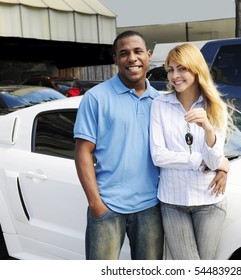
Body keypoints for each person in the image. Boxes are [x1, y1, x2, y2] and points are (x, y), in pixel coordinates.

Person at [73, 30, 164, 260]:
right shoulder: (96, 98)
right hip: (108, 207)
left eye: (137, 51)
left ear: (148, 55)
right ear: (115, 59)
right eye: (123, 53)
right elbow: (83, 152)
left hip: (151, 207)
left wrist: (220, 164)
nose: (131, 58)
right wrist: (96, 204)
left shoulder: (161, 101)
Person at [149, 43, 232, 260]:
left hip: (210, 200)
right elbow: (159, 155)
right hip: (172, 201)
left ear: (196, 69)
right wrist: (199, 160)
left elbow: (214, 160)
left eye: (182, 68)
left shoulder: (215, 107)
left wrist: (207, 128)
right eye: (170, 69)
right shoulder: (160, 104)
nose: (175, 76)